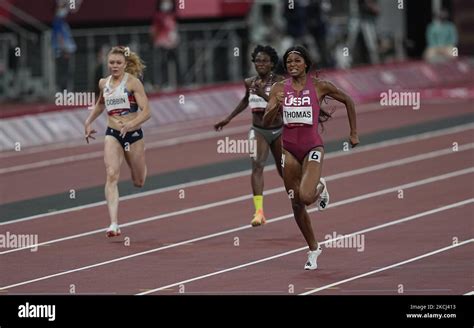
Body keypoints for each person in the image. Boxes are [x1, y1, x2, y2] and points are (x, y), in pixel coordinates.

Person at [263, 45, 359, 270]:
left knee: (306, 196)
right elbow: (267, 124)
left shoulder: (319, 86)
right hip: (289, 149)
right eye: (288, 62)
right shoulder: (278, 89)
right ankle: (314, 248)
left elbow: (348, 101)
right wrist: (273, 109)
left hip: (312, 147)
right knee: (296, 203)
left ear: (306, 63)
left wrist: (353, 132)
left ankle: (320, 186)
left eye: (297, 61)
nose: (292, 65)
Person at [84, 46, 151, 237]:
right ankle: (114, 224)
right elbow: (100, 105)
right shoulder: (103, 83)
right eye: (111, 62)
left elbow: (147, 112)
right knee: (111, 173)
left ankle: (137, 164)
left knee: (139, 181)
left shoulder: (133, 83)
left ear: (125, 64)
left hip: (133, 134)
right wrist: (88, 122)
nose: (114, 66)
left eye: (118, 63)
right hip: (113, 133)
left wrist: (131, 124)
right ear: (107, 63)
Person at [214, 45, 285, 227]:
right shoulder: (249, 82)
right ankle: (259, 212)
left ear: (272, 64)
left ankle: (302, 193)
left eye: (265, 61)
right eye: (257, 61)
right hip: (258, 130)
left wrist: (263, 94)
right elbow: (246, 100)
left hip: (278, 130)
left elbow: (283, 104)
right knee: (257, 166)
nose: (260, 64)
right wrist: (228, 118)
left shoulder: (281, 82)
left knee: (282, 169)